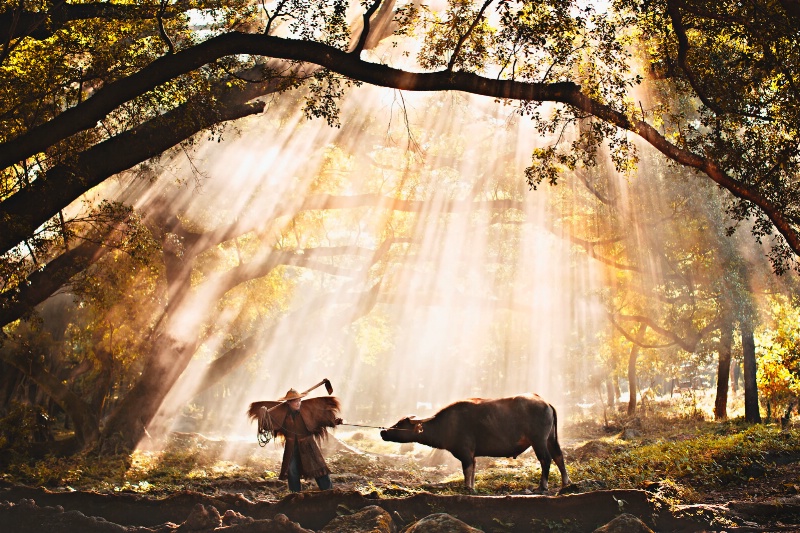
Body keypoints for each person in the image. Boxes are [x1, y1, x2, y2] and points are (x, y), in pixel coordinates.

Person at [249, 388, 342, 492]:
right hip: (291, 446)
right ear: (289, 403)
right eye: (295, 401)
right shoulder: (282, 414)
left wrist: (333, 421)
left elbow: (319, 419)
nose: (298, 403)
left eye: (299, 400)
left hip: (308, 445)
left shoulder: (306, 411)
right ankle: (295, 495)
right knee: (292, 470)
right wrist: (264, 415)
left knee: (319, 468)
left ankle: (329, 492)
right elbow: (269, 426)